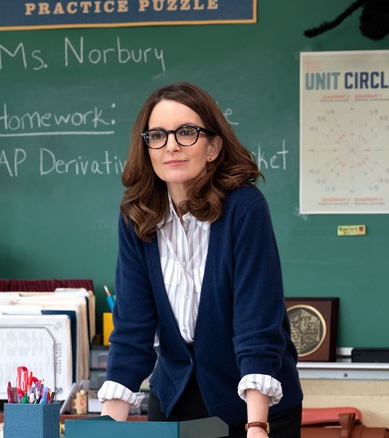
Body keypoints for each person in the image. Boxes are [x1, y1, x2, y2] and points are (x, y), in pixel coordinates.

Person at [98, 82, 303, 438]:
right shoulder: (137, 215)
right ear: (147, 148)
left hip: (255, 402)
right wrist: (106, 426)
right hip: (176, 402)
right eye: (158, 135)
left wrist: (257, 425)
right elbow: (133, 328)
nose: (171, 145)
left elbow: (257, 323)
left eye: (186, 132)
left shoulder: (244, 208)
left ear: (213, 147)